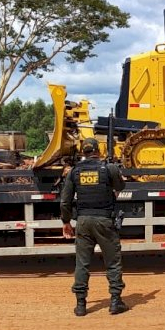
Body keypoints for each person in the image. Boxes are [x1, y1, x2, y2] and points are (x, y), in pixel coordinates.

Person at [60, 136, 128, 317]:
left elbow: (65, 201)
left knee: (82, 263)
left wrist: (66, 222)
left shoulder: (74, 172)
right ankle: (115, 302)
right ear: (98, 151)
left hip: (83, 221)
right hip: (105, 221)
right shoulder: (109, 168)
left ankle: (81, 305)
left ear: (83, 152)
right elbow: (121, 185)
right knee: (113, 262)